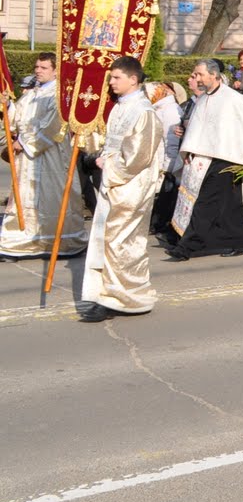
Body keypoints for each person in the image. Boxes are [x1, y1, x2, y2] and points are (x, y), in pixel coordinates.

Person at [78, 57, 165, 321]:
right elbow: (113, 142)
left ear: (133, 79)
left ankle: (121, 297)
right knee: (111, 240)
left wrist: (108, 164)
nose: (111, 82)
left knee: (121, 242)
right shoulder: (120, 107)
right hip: (114, 181)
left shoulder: (144, 112)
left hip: (130, 186)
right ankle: (113, 294)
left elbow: (139, 157)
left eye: (116, 77)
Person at [168, 59, 243, 261]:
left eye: (200, 74)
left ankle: (186, 247)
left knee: (204, 202)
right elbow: (199, 131)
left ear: (213, 75)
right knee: (230, 205)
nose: (196, 78)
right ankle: (242, 243)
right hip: (206, 159)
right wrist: (189, 152)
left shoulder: (234, 99)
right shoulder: (202, 99)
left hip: (229, 158)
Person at [0, 53, 86, 261]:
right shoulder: (32, 94)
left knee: (52, 198)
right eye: (37, 66)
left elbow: (53, 126)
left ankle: (61, 241)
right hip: (28, 161)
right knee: (26, 196)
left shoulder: (58, 95)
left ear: (55, 70)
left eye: (44, 67)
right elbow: (17, 117)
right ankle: (20, 241)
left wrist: (26, 143)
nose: (38, 70)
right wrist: (8, 106)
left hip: (52, 156)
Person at [145, 81, 186, 252]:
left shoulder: (170, 110)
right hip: (161, 158)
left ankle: (162, 224)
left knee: (168, 195)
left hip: (168, 160)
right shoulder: (160, 108)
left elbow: (172, 140)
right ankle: (158, 223)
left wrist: (169, 164)